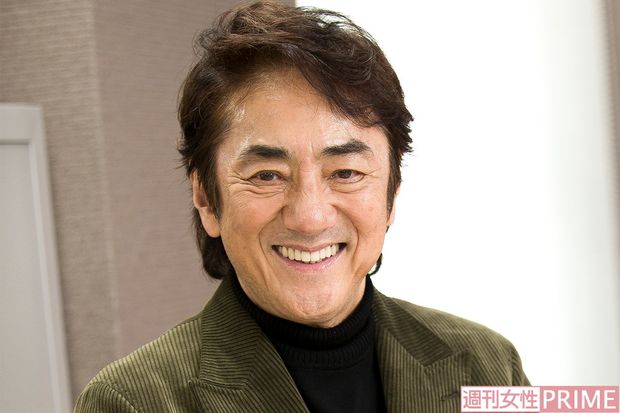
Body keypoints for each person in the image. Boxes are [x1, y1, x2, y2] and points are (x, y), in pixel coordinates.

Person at [75, 2, 529, 412]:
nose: (310, 217)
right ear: (207, 200)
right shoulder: (133, 401)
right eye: (267, 176)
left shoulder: (489, 364)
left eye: (345, 172)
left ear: (391, 194)